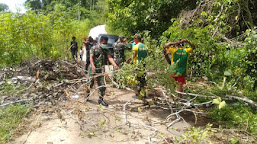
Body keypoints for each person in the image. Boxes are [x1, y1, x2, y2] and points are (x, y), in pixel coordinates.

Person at [88, 36, 119, 107]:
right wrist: (93, 66)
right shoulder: (94, 48)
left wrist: (114, 64)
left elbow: (109, 57)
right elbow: (91, 57)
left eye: (106, 43)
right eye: (104, 43)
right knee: (90, 83)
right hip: (93, 69)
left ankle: (100, 99)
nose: (105, 44)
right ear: (101, 41)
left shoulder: (106, 49)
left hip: (101, 69)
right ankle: (87, 94)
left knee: (102, 85)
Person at [127, 34, 148, 104]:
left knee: (137, 81)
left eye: (134, 39)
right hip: (143, 65)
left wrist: (128, 60)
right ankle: (144, 94)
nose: (133, 40)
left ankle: (138, 94)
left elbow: (134, 55)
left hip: (137, 65)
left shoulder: (136, 46)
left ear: (136, 39)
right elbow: (147, 55)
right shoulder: (145, 46)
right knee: (143, 80)